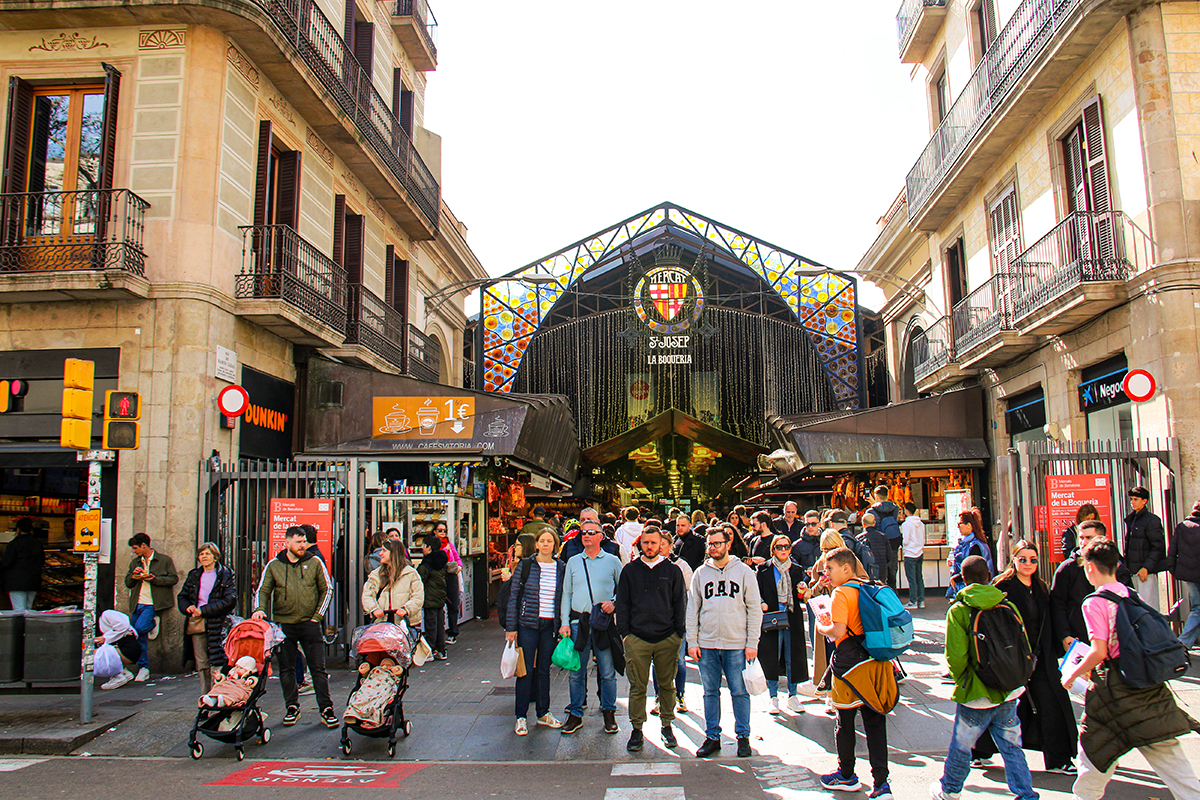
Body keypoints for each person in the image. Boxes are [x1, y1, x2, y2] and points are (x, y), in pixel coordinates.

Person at [1060, 539, 1200, 800]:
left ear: (1090, 567)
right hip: (1147, 688)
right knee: (1174, 764)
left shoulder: (1094, 602)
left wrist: (1072, 674)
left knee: (1094, 758)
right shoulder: (1129, 594)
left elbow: (1099, 651)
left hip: (1113, 692)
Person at [929, 555, 1037, 800]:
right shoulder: (1007, 604)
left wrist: (962, 680)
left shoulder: (959, 610)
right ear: (989, 576)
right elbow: (1024, 645)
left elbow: (955, 655)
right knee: (1011, 747)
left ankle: (950, 789)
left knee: (962, 745)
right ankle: (1026, 793)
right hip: (1009, 687)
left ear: (963, 579)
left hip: (977, 690)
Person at [970, 541, 1078, 774]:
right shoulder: (1002, 586)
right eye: (1023, 559)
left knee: (1051, 703)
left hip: (1040, 656)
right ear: (1014, 560)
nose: (1028, 564)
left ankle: (1059, 759)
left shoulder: (1042, 588)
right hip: (1009, 657)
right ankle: (978, 751)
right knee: (1001, 704)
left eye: (1033, 560)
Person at [817, 548, 896, 800]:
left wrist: (821, 626)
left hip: (849, 666)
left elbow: (838, 631)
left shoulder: (841, 593)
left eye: (830, 568)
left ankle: (846, 775)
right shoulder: (869, 588)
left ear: (846, 568)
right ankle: (881, 783)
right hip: (876, 661)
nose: (827, 574)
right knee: (875, 723)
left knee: (845, 721)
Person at [687, 526, 762, 758]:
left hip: (736, 643)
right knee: (710, 692)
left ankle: (743, 737)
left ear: (728, 544)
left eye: (717, 543)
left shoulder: (744, 572)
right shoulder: (700, 573)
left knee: (739, 691)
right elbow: (692, 609)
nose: (713, 548)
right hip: (707, 643)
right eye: (710, 544)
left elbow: (754, 609)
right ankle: (712, 736)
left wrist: (752, 642)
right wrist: (692, 641)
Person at [253, 526, 334, 727]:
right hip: (284, 624)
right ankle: (292, 706)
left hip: (309, 623)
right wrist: (260, 609)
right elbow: (263, 589)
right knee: (286, 668)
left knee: (318, 668)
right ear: (287, 542)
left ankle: (326, 708)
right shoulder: (274, 565)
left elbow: (327, 589)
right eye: (298, 542)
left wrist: (317, 616)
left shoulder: (314, 562)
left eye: (304, 541)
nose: (302, 545)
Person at [616, 526, 687, 752]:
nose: (649, 547)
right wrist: (625, 634)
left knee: (666, 685)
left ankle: (667, 725)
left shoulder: (672, 570)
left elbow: (680, 603)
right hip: (637, 637)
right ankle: (637, 729)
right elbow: (623, 603)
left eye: (654, 543)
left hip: (667, 637)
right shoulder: (630, 570)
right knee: (637, 686)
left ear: (661, 545)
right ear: (640, 544)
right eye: (646, 543)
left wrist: (678, 634)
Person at [559, 519, 623, 735]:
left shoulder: (613, 561)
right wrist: (564, 623)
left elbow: (624, 589)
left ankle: (609, 712)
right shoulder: (573, 562)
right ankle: (575, 713)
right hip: (579, 624)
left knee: (607, 672)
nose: (586, 535)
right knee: (576, 672)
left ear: (600, 537)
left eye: (591, 532)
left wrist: (614, 603)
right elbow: (566, 593)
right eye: (583, 532)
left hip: (604, 624)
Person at [506, 527, 565, 735]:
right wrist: (511, 628)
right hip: (528, 624)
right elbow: (514, 597)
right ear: (537, 544)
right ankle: (521, 716)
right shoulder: (526, 565)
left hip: (550, 625)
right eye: (542, 541)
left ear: (555, 545)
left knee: (543, 670)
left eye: (550, 541)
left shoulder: (561, 567)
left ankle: (543, 712)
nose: (546, 544)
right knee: (525, 671)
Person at [1050, 520, 1132, 653]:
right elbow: (1057, 604)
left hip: (1114, 641)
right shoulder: (1067, 568)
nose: (1083, 542)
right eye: (1081, 538)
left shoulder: (1117, 566)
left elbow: (1128, 600)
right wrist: (1064, 635)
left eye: (1089, 537)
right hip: (1079, 639)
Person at [757, 534, 812, 713]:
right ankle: (773, 696)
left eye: (786, 546)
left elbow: (801, 595)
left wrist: (803, 591)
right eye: (779, 547)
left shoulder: (796, 570)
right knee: (771, 655)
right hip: (772, 616)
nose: (783, 550)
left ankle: (792, 695)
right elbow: (756, 592)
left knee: (792, 656)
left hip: (791, 617)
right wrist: (761, 603)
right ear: (773, 549)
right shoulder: (763, 569)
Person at [175, 542, 237, 694]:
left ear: (215, 557)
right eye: (201, 554)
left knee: (217, 661)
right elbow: (183, 596)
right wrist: (188, 607)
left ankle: (218, 694)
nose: (204, 557)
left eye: (207, 554)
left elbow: (229, 600)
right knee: (202, 662)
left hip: (217, 623)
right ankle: (205, 696)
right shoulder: (194, 575)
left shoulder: (225, 574)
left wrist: (204, 610)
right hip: (197, 623)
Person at [124, 533, 179, 682]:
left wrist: (154, 579)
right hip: (137, 603)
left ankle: (152, 624)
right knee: (137, 636)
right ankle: (143, 668)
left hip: (152, 603)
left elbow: (173, 579)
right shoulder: (135, 562)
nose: (134, 551)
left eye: (135, 548)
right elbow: (128, 583)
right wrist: (133, 575)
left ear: (144, 546)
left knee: (139, 629)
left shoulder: (164, 560)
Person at [651, 526, 691, 716]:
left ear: (670, 546)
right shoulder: (647, 564)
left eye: (663, 544)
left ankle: (679, 694)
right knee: (657, 662)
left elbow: (688, 591)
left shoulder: (681, 565)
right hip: (655, 622)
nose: (659, 547)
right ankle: (659, 696)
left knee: (679, 660)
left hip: (677, 620)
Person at [1123, 485, 1167, 609]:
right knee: (1137, 607)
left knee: (1149, 606)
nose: (1132, 502)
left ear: (1144, 501)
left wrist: (1146, 567)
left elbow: (1158, 546)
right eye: (1131, 499)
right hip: (1133, 570)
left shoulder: (1151, 520)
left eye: (1136, 499)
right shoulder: (1132, 519)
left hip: (1145, 571)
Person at [362, 539, 424, 624]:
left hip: (404, 622)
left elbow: (418, 596)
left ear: (393, 553)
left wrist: (406, 609)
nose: (380, 554)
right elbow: (367, 594)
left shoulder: (411, 574)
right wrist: (374, 609)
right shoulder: (376, 574)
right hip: (382, 622)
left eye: (384, 551)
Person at [1168, 499, 1200, 649]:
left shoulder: (1182, 526)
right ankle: (1183, 642)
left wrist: (1174, 570)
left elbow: (1172, 550)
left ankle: (1184, 642)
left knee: (1197, 608)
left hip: (1189, 575)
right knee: (1198, 609)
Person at [417, 533, 449, 661]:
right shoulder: (442, 562)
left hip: (429, 598)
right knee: (440, 625)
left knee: (431, 625)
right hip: (440, 597)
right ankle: (441, 649)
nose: (422, 548)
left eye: (424, 545)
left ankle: (429, 650)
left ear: (429, 547)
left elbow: (420, 581)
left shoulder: (427, 564)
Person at [946, 509, 991, 598]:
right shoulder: (967, 543)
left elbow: (973, 569)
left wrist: (955, 579)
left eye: (959, 524)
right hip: (968, 588)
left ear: (969, 525)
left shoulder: (975, 545)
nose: (958, 527)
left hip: (972, 590)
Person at [1, 517, 43, 611]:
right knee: (28, 608)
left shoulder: (14, 544)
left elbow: (6, 562)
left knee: (19, 609)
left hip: (17, 582)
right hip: (33, 581)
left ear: (18, 529)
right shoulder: (38, 543)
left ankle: (21, 621)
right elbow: (42, 562)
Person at [96, 609, 143, 690]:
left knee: (93, 655)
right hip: (129, 647)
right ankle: (123, 672)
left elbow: (123, 625)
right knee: (98, 653)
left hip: (128, 648)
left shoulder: (107, 614)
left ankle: (119, 677)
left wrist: (105, 638)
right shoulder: (106, 618)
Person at [869, 486, 904, 589]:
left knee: (880, 577)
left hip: (878, 546)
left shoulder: (871, 511)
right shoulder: (895, 508)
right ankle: (893, 595)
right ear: (888, 495)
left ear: (876, 496)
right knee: (892, 576)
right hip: (893, 544)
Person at [434, 522, 463, 645]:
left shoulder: (450, 544)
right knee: (438, 605)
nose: (442, 533)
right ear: (434, 531)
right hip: (439, 576)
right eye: (440, 530)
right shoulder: (434, 544)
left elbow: (457, 557)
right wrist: (445, 550)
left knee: (453, 604)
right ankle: (439, 633)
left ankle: (453, 632)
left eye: (444, 530)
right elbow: (436, 558)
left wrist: (459, 567)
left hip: (451, 575)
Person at [900, 502, 926, 610]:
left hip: (910, 553)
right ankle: (921, 600)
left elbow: (906, 540)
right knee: (919, 577)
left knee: (912, 579)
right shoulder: (921, 524)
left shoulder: (906, 524)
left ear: (906, 511)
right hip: (920, 552)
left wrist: (903, 544)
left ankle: (913, 601)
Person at [858, 512, 889, 585]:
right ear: (874, 523)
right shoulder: (883, 536)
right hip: (882, 570)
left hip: (867, 571)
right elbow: (889, 556)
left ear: (863, 524)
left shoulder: (860, 538)